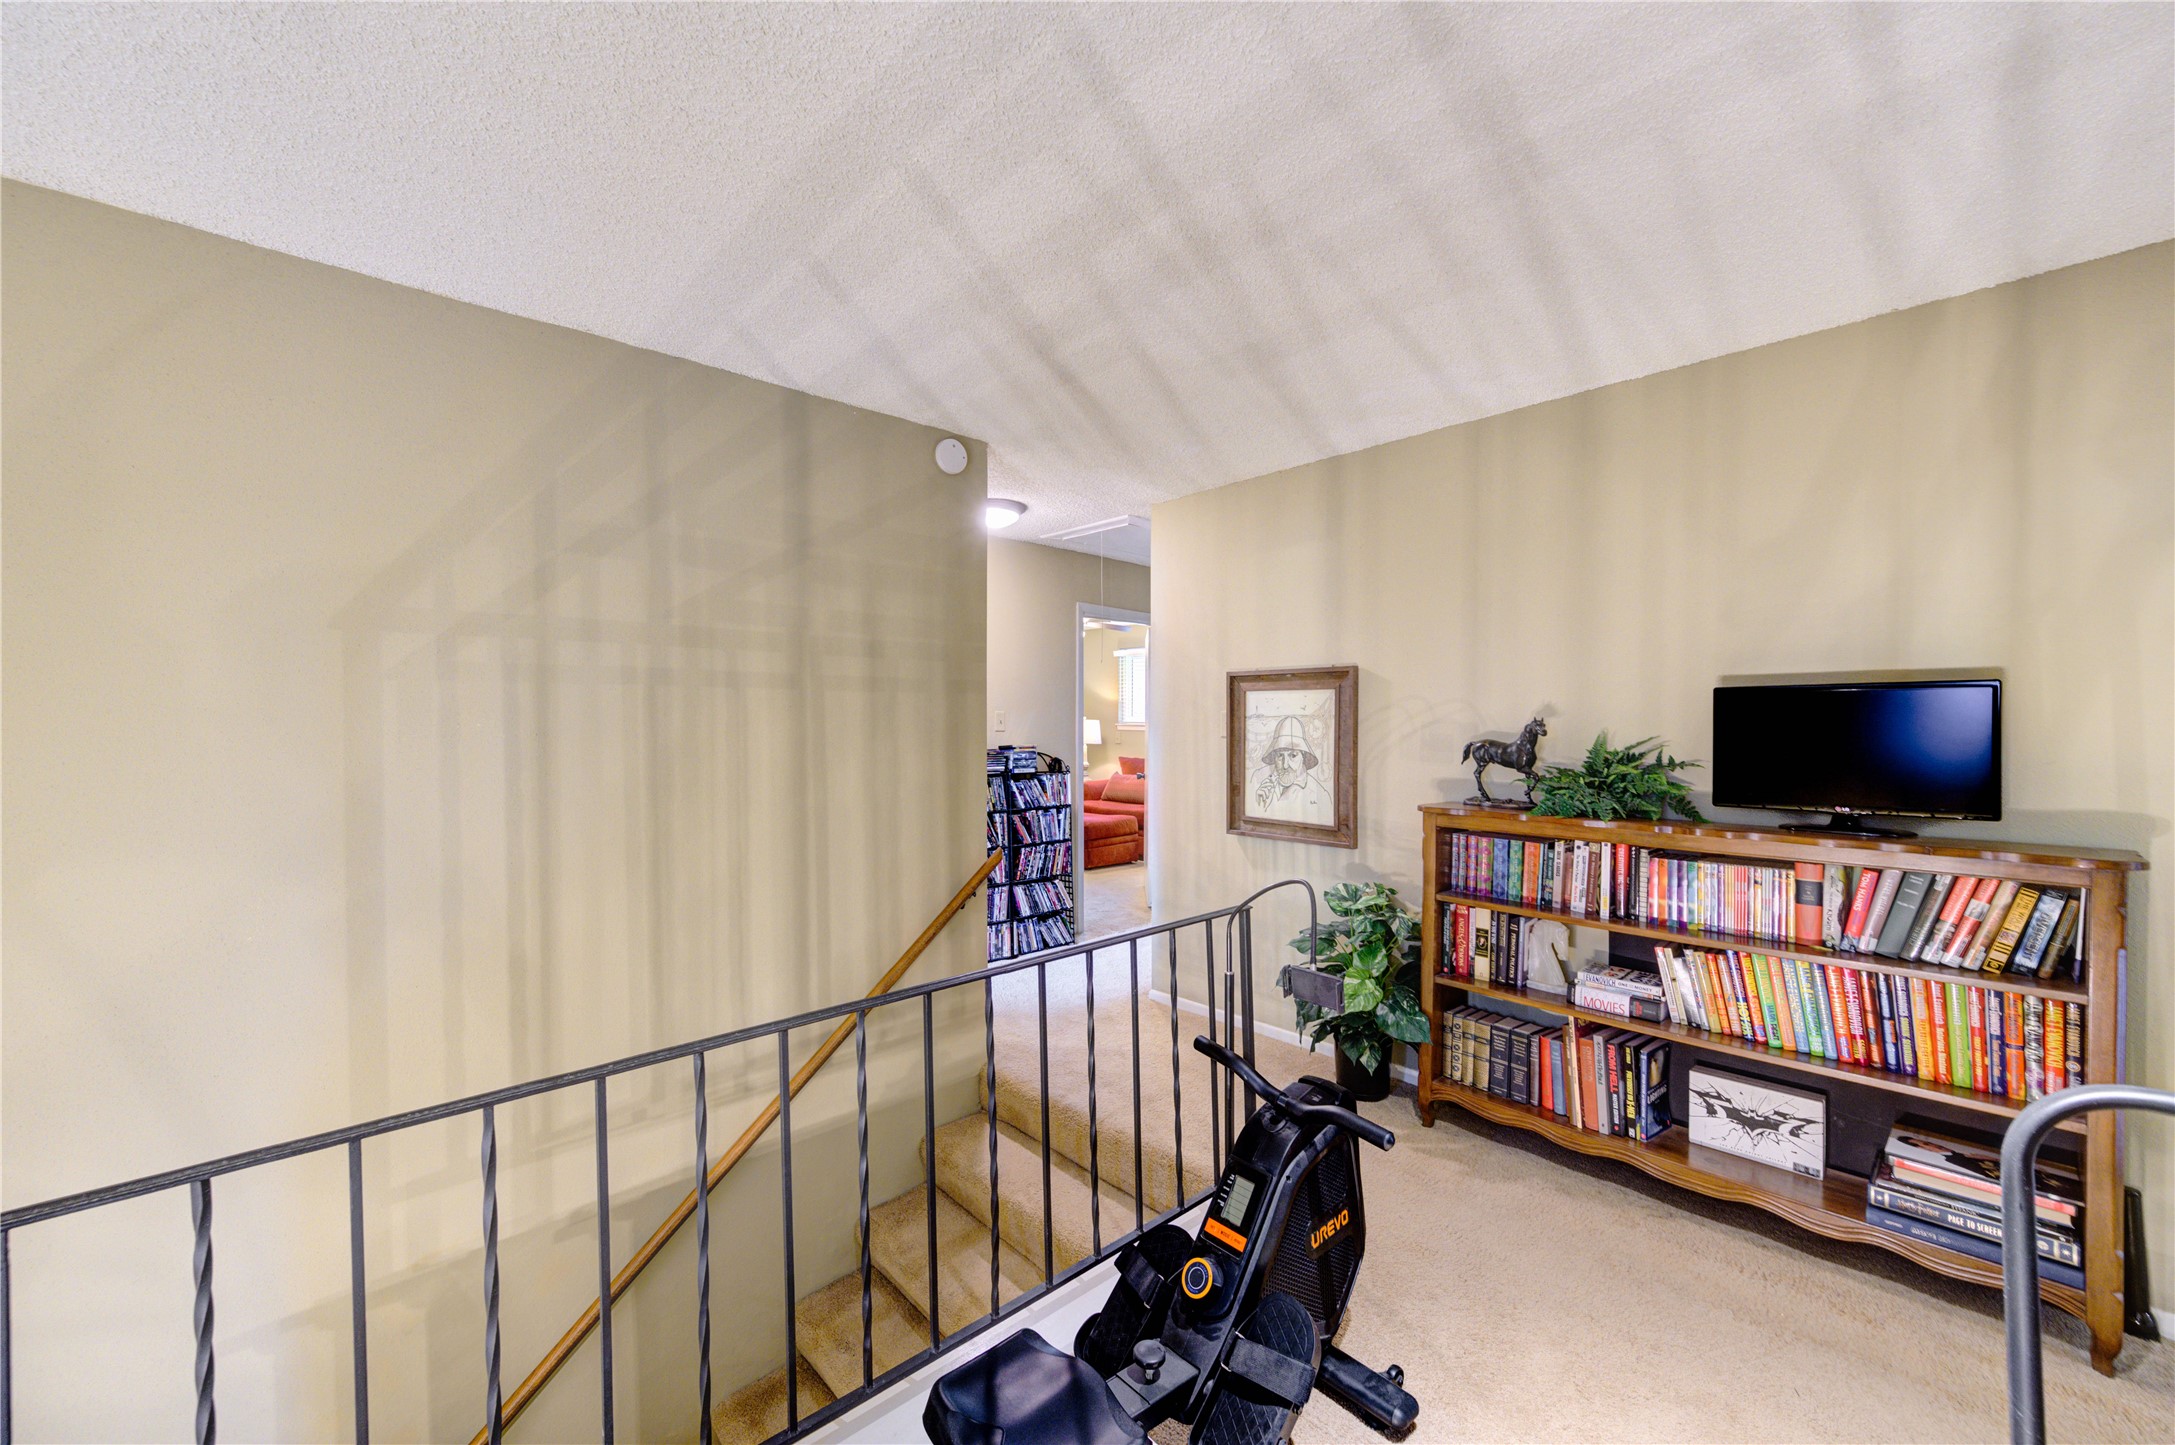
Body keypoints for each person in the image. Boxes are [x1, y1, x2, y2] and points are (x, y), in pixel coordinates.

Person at [1252, 715, 1330, 818]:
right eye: (1280, 755)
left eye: (1293, 755)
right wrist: (1258, 806)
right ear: (1274, 756)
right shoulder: (1257, 778)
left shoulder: (1319, 794)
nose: (1285, 765)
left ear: (1303, 756)